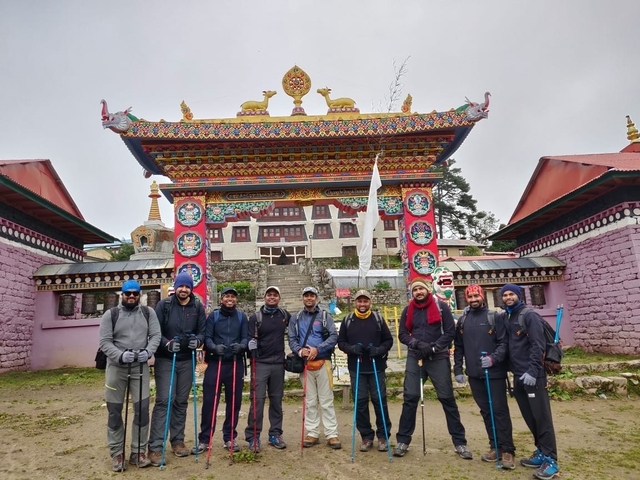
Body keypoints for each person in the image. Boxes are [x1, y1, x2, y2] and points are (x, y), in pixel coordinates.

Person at [394, 278, 472, 459]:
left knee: (447, 398)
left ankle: (460, 442)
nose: (418, 292)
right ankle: (403, 440)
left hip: (438, 357)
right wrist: (417, 344)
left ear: (427, 289)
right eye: (415, 290)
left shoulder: (441, 307)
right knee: (410, 397)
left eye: (421, 288)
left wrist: (434, 347)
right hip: (416, 357)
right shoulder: (408, 310)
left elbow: (450, 332)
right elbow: (403, 334)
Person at [99, 280, 161, 471]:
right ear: (122, 295)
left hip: (139, 368)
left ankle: (138, 451)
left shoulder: (148, 313)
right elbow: (105, 341)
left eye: (135, 293)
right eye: (128, 293)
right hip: (116, 368)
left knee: (142, 410)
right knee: (115, 412)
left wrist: (148, 352)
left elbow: (156, 336)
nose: (131, 296)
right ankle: (117, 453)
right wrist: (120, 355)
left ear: (140, 295)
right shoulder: (111, 314)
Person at [501, 284, 559, 480]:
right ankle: (541, 452)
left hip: (533, 375)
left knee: (542, 418)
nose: (508, 297)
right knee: (530, 417)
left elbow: (537, 344)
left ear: (519, 296)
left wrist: (534, 370)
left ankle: (551, 461)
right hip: (518, 376)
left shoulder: (529, 315)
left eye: (511, 294)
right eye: (505, 295)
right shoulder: (509, 316)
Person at [453, 284, 515, 469]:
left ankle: (508, 451)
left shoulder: (495, 317)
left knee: (500, 411)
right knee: (486, 412)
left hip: (494, 373)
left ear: (482, 297)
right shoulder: (463, 320)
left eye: (476, 296)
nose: (473, 300)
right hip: (474, 374)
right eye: (469, 297)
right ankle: (494, 446)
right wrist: (457, 369)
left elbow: (504, 343)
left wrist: (494, 358)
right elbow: (459, 347)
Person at [147, 272, 206, 466]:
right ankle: (155, 446)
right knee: (164, 400)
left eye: (187, 287)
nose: (184, 290)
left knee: (181, 401)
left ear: (191, 288)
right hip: (166, 359)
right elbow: (154, 331)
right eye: (181, 286)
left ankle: (178, 440)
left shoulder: (197, 306)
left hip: (186, 360)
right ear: (176, 287)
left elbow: (202, 331)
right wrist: (166, 343)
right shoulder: (163, 306)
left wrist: (197, 341)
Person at [194, 286, 248, 454]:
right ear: (221, 298)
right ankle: (205, 439)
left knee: (234, 402)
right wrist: (213, 347)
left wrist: (242, 347)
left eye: (233, 296)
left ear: (236, 299)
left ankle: (230, 437)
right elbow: (207, 337)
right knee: (210, 402)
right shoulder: (214, 316)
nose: (230, 299)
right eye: (227, 296)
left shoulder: (241, 317)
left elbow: (246, 337)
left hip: (234, 363)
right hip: (216, 363)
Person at [337, 289, 393, 452]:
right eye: (359, 301)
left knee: (380, 401)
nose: (362, 304)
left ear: (370, 302)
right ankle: (366, 436)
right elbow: (341, 342)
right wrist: (352, 349)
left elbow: (388, 340)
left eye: (365, 301)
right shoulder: (348, 320)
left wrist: (379, 350)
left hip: (376, 366)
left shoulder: (377, 319)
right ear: (355, 302)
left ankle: (383, 436)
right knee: (360, 403)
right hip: (357, 367)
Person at [288, 286, 342, 449]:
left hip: (323, 361)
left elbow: (333, 336)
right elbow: (291, 338)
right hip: (305, 363)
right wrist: (300, 350)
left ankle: (331, 434)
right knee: (309, 400)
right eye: (306, 296)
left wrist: (318, 349)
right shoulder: (295, 318)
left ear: (316, 298)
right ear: (303, 298)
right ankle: (312, 432)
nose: (309, 298)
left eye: (312, 296)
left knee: (326, 400)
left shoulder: (325, 316)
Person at [244, 286, 291, 452]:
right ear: (264, 297)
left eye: (275, 295)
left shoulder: (284, 315)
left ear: (279, 298)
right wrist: (250, 345)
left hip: (278, 363)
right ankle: (253, 436)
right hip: (260, 363)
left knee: (276, 400)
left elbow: (294, 333)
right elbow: (249, 337)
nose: (272, 298)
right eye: (269, 295)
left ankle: (275, 434)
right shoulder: (255, 317)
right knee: (257, 401)